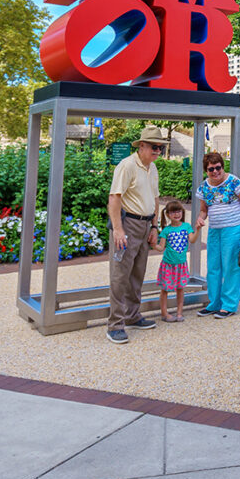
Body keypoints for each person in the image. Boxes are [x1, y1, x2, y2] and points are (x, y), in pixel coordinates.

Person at [107, 126, 167, 344]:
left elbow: (156, 199)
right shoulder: (127, 166)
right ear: (141, 146)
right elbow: (114, 198)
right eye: (154, 146)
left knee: (137, 273)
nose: (158, 151)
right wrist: (118, 229)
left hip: (144, 226)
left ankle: (132, 316)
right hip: (128, 224)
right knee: (120, 275)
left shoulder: (152, 168)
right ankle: (115, 325)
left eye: (160, 147)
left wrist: (154, 227)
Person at [195, 153, 240, 319]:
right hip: (215, 230)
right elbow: (204, 210)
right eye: (211, 169)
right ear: (206, 170)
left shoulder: (234, 182)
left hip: (233, 228)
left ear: (222, 167)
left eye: (218, 167)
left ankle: (229, 304)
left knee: (230, 266)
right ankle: (214, 303)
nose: (215, 171)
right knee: (213, 267)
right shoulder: (204, 187)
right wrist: (200, 219)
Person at [155, 200, 199, 322]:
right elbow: (160, 248)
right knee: (165, 289)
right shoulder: (166, 231)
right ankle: (164, 313)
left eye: (178, 211)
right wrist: (153, 243)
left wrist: (198, 229)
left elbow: (193, 240)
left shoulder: (187, 227)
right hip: (168, 264)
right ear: (168, 214)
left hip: (181, 264)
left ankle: (179, 312)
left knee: (180, 288)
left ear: (182, 212)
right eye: (173, 212)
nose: (176, 214)